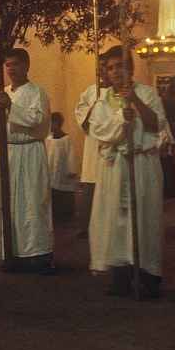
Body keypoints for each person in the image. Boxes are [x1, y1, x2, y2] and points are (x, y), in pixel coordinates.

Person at [88, 46, 166, 297]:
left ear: (130, 68)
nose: (116, 72)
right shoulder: (101, 100)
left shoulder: (148, 93)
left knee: (144, 219)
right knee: (116, 221)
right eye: (110, 68)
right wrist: (122, 118)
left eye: (120, 66)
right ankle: (120, 275)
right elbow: (99, 131)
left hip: (142, 164)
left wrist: (134, 100)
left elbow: (156, 125)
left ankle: (148, 275)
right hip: (115, 166)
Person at [0, 47, 54, 273]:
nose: (12, 69)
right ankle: (10, 252)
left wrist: (11, 106)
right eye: (8, 65)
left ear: (26, 66)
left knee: (32, 202)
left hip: (29, 152)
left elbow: (37, 119)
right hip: (6, 152)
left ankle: (38, 254)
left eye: (16, 64)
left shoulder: (37, 92)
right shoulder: (0, 93)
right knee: (6, 203)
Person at [75, 65, 108, 238]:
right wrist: (93, 107)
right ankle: (86, 226)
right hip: (93, 143)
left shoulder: (119, 92)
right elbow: (82, 120)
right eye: (101, 68)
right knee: (91, 182)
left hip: (110, 144)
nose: (103, 72)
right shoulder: (90, 92)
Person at [45, 112, 77, 224]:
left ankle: (65, 217)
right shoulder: (48, 139)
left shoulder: (66, 139)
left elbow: (71, 155)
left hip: (63, 172)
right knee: (53, 194)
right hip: (50, 171)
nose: (50, 126)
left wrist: (71, 170)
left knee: (63, 195)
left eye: (52, 123)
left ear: (58, 124)